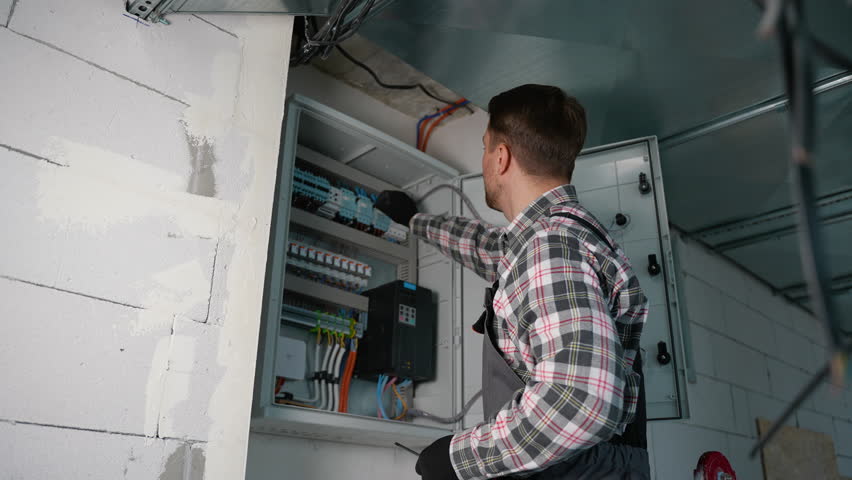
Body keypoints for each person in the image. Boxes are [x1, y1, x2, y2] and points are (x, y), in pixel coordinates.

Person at [376, 84, 650, 480]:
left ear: (501, 157)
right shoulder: (558, 237)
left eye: (487, 147)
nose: (485, 159)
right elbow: (488, 248)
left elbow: (581, 399)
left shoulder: (550, 246)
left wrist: (459, 458)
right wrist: (415, 221)